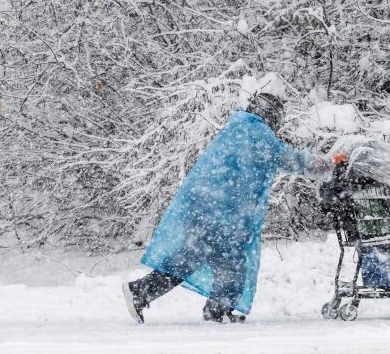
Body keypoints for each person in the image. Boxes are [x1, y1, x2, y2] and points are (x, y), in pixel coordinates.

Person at [122, 93, 336, 323]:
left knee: (197, 258)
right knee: (229, 260)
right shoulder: (255, 131)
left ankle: (151, 293)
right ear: (271, 114)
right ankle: (208, 308)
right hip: (220, 212)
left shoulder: (239, 126)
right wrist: (328, 165)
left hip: (209, 208)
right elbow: (288, 159)